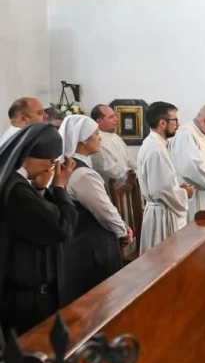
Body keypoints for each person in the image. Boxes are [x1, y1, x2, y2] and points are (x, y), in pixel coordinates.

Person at [0, 124, 78, 335]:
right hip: (27, 298)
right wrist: (60, 187)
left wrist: (43, 188)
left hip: (31, 291)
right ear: (33, 156)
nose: (50, 170)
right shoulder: (18, 191)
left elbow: (44, 216)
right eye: (50, 163)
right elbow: (62, 228)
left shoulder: (18, 183)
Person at [58, 115, 130, 305]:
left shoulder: (69, 166)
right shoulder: (82, 174)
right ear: (82, 140)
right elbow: (105, 212)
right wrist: (123, 231)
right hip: (91, 250)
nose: (100, 138)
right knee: (99, 304)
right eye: (96, 133)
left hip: (78, 245)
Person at [136, 102, 193, 255]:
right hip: (162, 216)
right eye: (175, 120)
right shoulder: (156, 150)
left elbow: (161, 183)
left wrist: (178, 188)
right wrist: (185, 193)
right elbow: (162, 190)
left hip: (159, 210)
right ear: (162, 123)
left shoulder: (154, 144)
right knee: (164, 260)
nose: (178, 124)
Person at [91, 104, 137, 186]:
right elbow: (109, 170)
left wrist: (140, 171)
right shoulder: (96, 140)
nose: (117, 119)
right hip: (114, 191)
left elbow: (130, 160)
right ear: (99, 121)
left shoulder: (116, 137)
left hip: (129, 185)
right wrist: (135, 174)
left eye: (115, 116)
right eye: (111, 117)